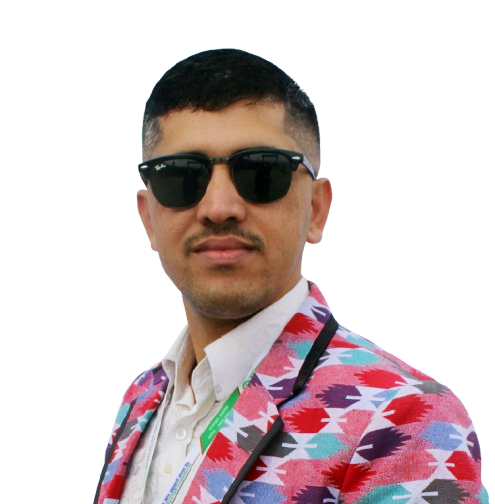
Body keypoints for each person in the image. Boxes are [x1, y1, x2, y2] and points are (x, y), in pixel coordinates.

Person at [94, 49, 488, 504]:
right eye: (181, 177)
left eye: (261, 172)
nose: (219, 207)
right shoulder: (142, 399)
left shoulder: (406, 420)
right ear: (148, 218)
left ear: (316, 209)